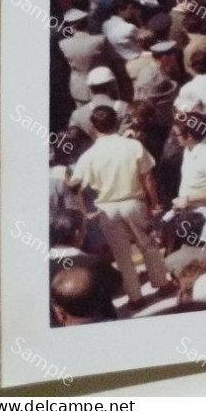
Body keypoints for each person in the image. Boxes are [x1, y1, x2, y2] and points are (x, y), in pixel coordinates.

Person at [66, 105, 171, 303]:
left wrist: (84, 212)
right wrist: (155, 203)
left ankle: (135, 296)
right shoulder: (133, 146)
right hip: (134, 203)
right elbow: (148, 178)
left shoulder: (88, 156)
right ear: (116, 122)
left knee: (121, 255)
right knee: (148, 245)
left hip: (107, 208)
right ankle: (162, 284)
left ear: (93, 127)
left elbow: (74, 186)